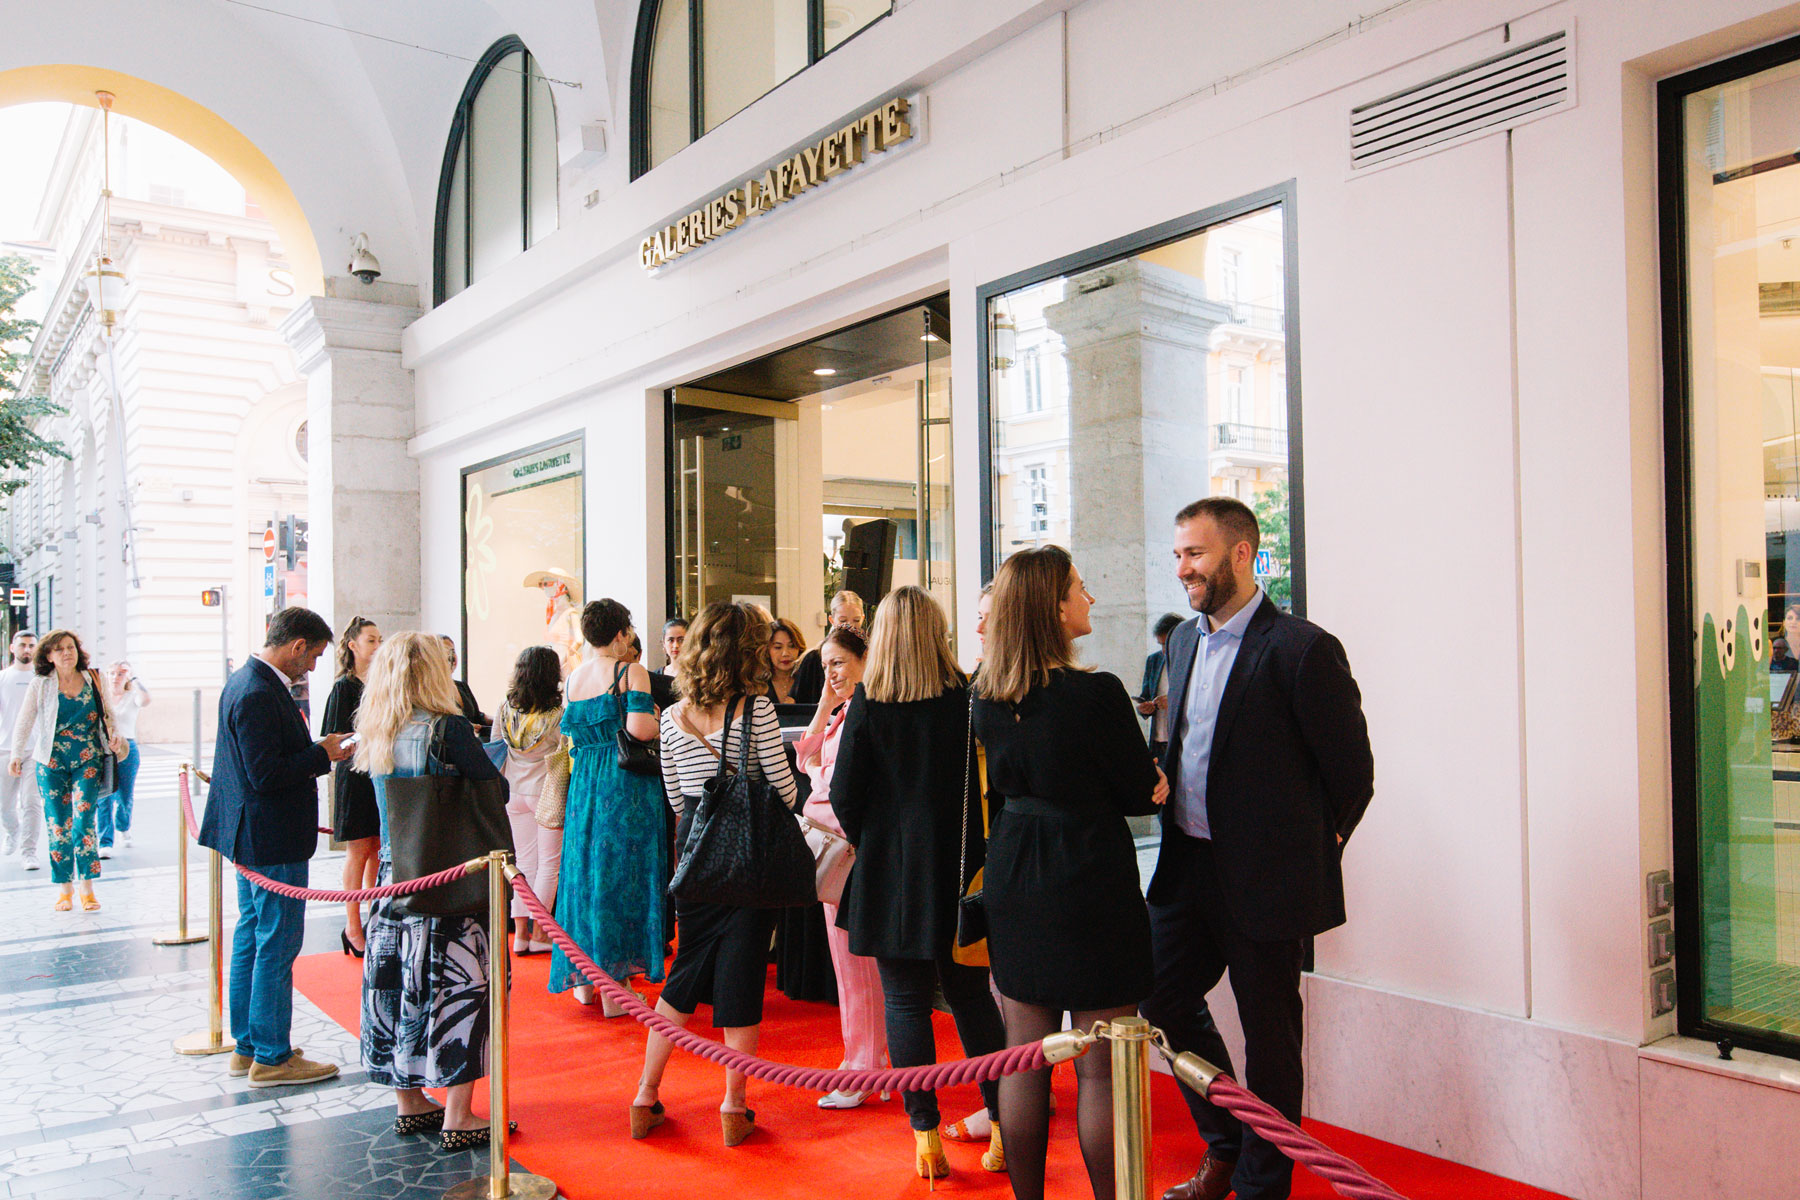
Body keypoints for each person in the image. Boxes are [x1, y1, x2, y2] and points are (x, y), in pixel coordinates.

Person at [1145, 497, 1373, 1200]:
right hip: (1187, 870)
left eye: (1196, 554)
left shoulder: (1302, 648)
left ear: (1242, 555)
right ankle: (1229, 1143)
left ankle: (1261, 1186)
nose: (1182, 567)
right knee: (1159, 997)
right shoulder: (1180, 643)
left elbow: (1353, 776)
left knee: (1270, 1041)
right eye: (1179, 553)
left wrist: (1302, 852)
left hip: (1266, 883)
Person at [973, 547, 1168, 1200]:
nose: (1090, 598)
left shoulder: (988, 696)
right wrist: (1155, 782)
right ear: (1055, 606)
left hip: (1015, 871)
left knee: (1023, 1062)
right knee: (1103, 1072)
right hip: (1086, 873)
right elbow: (1141, 790)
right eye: (1081, 588)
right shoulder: (1096, 693)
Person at [830, 586, 1006, 1183]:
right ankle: (1002, 1123)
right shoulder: (967, 699)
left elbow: (845, 795)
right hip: (959, 871)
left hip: (889, 876)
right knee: (972, 999)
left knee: (904, 1004)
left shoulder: (870, 701)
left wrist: (876, 837)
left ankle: (925, 1134)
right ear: (937, 633)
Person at [634, 600, 797, 1148]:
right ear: (749, 652)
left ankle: (645, 1093)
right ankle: (733, 1105)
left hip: (696, 858)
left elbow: (678, 798)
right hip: (750, 860)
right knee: (743, 976)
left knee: (684, 973)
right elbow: (784, 788)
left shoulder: (673, 717)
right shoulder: (758, 710)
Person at [354, 631, 504, 1150]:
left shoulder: (377, 728)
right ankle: (459, 1115)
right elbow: (493, 787)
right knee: (459, 989)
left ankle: (410, 1100)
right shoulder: (447, 728)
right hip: (448, 881)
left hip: (394, 884)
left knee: (400, 987)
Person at [198, 606, 349, 1087]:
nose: (313, 666)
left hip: (253, 834)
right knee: (276, 943)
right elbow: (265, 774)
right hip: (270, 836)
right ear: (297, 645)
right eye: (315, 656)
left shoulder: (246, 682)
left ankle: (249, 1045)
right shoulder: (259, 692)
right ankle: (271, 1054)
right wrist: (321, 754)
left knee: (253, 937)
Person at [550, 599, 668, 1014]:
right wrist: (655, 718)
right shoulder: (630, 671)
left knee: (584, 875)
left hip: (585, 784)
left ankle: (585, 982)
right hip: (625, 784)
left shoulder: (573, 679)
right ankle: (618, 989)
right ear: (622, 633)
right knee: (622, 877)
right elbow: (639, 729)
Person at [795, 624, 889, 1109]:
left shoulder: (869, 710)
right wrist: (824, 705)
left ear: (864, 658)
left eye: (838, 662)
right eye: (825, 663)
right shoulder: (843, 710)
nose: (830, 672)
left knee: (856, 963)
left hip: (849, 848)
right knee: (848, 961)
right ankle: (862, 1058)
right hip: (830, 847)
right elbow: (805, 755)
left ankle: (864, 1067)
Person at [8, 630, 128, 912]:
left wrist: (116, 737)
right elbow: (25, 720)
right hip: (50, 762)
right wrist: (16, 753)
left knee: (84, 821)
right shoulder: (41, 683)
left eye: (71, 647)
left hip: (88, 758)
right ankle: (65, 888)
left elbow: (108, 714)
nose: (66, 653)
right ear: (49, 655)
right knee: (57, 824)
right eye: (59, 649)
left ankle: (87, 887)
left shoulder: (92, 679)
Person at [497, 645, 564, 955]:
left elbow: (496, 747)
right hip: (545, 792)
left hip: (512, 790)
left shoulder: (505, 709)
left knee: (522, 863)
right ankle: (541, 933)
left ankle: (520, 934)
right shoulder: (557, 713)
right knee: (549, 865)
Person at [323, 617, 382, 956]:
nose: (377, 646)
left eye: (379, 640)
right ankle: (352, 924)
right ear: (353, 646)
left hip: (377, 771)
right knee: (358, 850)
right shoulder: (344, 687)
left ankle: (375, 919)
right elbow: (335, 738)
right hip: (354, 774)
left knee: (376, 848)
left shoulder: (380, 683)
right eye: (371, 640)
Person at [97, 660, 149, 857]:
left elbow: (145, 700)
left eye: (120, 674)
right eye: (112, 673)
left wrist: (134, 678)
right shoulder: (102, 697)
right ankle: (105, 841)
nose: (115, 678)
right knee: (104, 796)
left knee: (125, 795)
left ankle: (123, 825)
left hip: (128, 747)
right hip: (105, 748)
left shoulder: (132, 696)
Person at [0, 630, 40, 870]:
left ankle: (29, 852)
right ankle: (12, 831)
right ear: (13, 648)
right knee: (4, 804)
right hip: (5, 748)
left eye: (32, 645)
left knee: (31, 802)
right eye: (23, 645)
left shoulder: (43, 678)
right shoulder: (3, 678)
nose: (27, 649)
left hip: (35, 751)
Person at [793, 589, 864, 702]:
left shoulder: (870, 656)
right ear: (832, 620)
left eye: (856, 620)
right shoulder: (813, 658)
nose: (850, 626)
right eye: (843, 620)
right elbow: (801, 704)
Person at [1136, 613, 1184, 761]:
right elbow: (1146, 695)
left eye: (1167, 644)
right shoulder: (1154, 660)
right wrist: (1144, 708)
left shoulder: (1194, 661)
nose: (1164, 650)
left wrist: (1173, 701)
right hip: (1158, 745)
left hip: (1184, 744)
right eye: (1161, 644)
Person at [439, 636, 491, 738]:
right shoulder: (433, 692)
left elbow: (478, 716)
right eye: (446, 653)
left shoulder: (462, 686)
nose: (452, 657)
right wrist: (464, 727)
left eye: (453, 651)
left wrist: (502, 719)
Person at [768, 618, 806, 703]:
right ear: (767, 650)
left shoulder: (807, 680)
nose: (785, 653)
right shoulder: (759, 685)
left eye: (792, 646)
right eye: (778, 647)